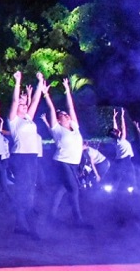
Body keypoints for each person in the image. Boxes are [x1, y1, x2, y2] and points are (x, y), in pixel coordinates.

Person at [43, 77, 92, 228]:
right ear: (58, 120)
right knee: (74, 188)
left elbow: (71, 108)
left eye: (67, 115)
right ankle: (78, 220)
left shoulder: (74, 127)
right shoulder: (57, 129)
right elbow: (52, 110)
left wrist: (67, 90)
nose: (67, 115)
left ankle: (50, 215)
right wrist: (46, 94)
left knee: (63, 188)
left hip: (74, 163)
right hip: (62, 162)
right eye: (63, 115)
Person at [8, 71, 43, 240]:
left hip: (31, 157)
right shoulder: (13, 120)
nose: (24, 105)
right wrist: (18, 81)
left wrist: (40, 82)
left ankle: (18, 224)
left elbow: (35, 100)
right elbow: (15, 100)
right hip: (20, 157)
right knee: (26, 192)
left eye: (24, 105)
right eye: (22, 105)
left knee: (28, 190)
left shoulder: (29, 118)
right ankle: (32, 228)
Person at [109, 107, 136, 191]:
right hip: (125, 159)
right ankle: (132, 189)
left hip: (119, 160)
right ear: (117, 134)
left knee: (118, 175)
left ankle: (114, 189)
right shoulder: (121, 140)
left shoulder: (115, 140)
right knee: (131, 173)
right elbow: (123, 127)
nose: (119, 131)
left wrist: (114, 118)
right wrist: (122, 116)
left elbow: (115, 129)